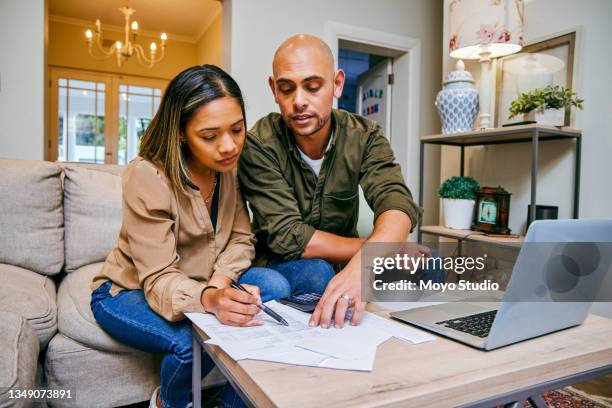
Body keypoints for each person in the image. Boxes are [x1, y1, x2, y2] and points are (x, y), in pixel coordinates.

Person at [90, 65, 322, 408]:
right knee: (191, 343)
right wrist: (212, 299)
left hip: (203, 282)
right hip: (130, 290)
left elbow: (242, 238)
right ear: (181, 132)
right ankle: (166, 402)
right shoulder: (147, 176)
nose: (228, 146)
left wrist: (220, 283)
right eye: (210, 136)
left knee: (299, 279)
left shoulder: (227, 168)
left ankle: (234, 401)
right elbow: (158, 280)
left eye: (237, 129)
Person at [238, 34, 438, 331]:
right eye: (286, 88)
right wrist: (377, 252)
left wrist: (366, 264)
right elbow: (290, 236)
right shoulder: (259, 144)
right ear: (274, 90)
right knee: (317, 274)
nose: (299, 101)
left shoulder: (365, 135)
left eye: (313, 86)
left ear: (337, 84)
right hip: (284, 261)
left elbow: (395, 202)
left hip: (348, 261)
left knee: (428, 265)